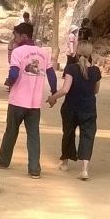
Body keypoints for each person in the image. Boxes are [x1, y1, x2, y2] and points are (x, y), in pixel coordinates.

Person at [0, 22, 57, 179]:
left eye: (16, 35)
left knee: (11, 131)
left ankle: (3, 161)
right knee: (33, 135)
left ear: (23, 36)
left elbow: (14, 73)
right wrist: (53, 93)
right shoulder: (43, 53)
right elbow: (51, 74)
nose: (15, 38)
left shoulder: (18, 52)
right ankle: (34, 169)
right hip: (34, 103)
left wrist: (9, 82)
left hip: (18, 100)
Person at [47, 40, 100, 181]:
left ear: (77, 53)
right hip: (88, 109)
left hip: (71, 107)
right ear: (90, 54)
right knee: (87, 137)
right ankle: (85, 169)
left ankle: (65, 162)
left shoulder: (71, 69)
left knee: (68, 133)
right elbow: (96, 90)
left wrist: (52, 97)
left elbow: (65, 89)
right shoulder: (95, 71)